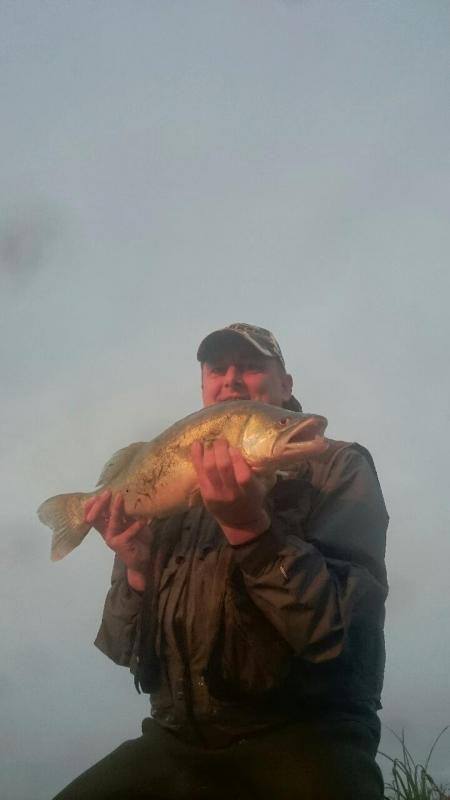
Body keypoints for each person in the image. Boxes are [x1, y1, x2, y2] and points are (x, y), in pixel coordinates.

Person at [53, 323, 389, 800]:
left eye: (250, 367)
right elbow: (126, 651)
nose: (231, 379)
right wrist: (138, 571)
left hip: (306, 735)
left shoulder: (337, 468)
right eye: (217, 370)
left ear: (285, 385)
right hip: (177, 740)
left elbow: (340, 634)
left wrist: (252, 531)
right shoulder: (171, 493)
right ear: (205, 388)